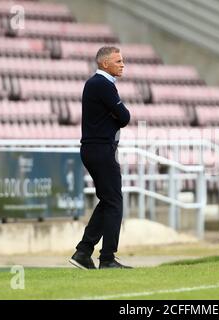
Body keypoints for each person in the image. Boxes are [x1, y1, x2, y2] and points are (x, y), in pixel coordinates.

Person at [69, 46, 132, 269]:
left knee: (107, 200)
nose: (122, 64)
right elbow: (124, 116)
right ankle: (107, 258)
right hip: (101, 150)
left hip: (94, 149)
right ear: (105, 64)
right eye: (118, 61)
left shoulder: (98, 84)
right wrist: (118, 118)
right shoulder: (102, 84)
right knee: (114, 202)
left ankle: (84, 252)